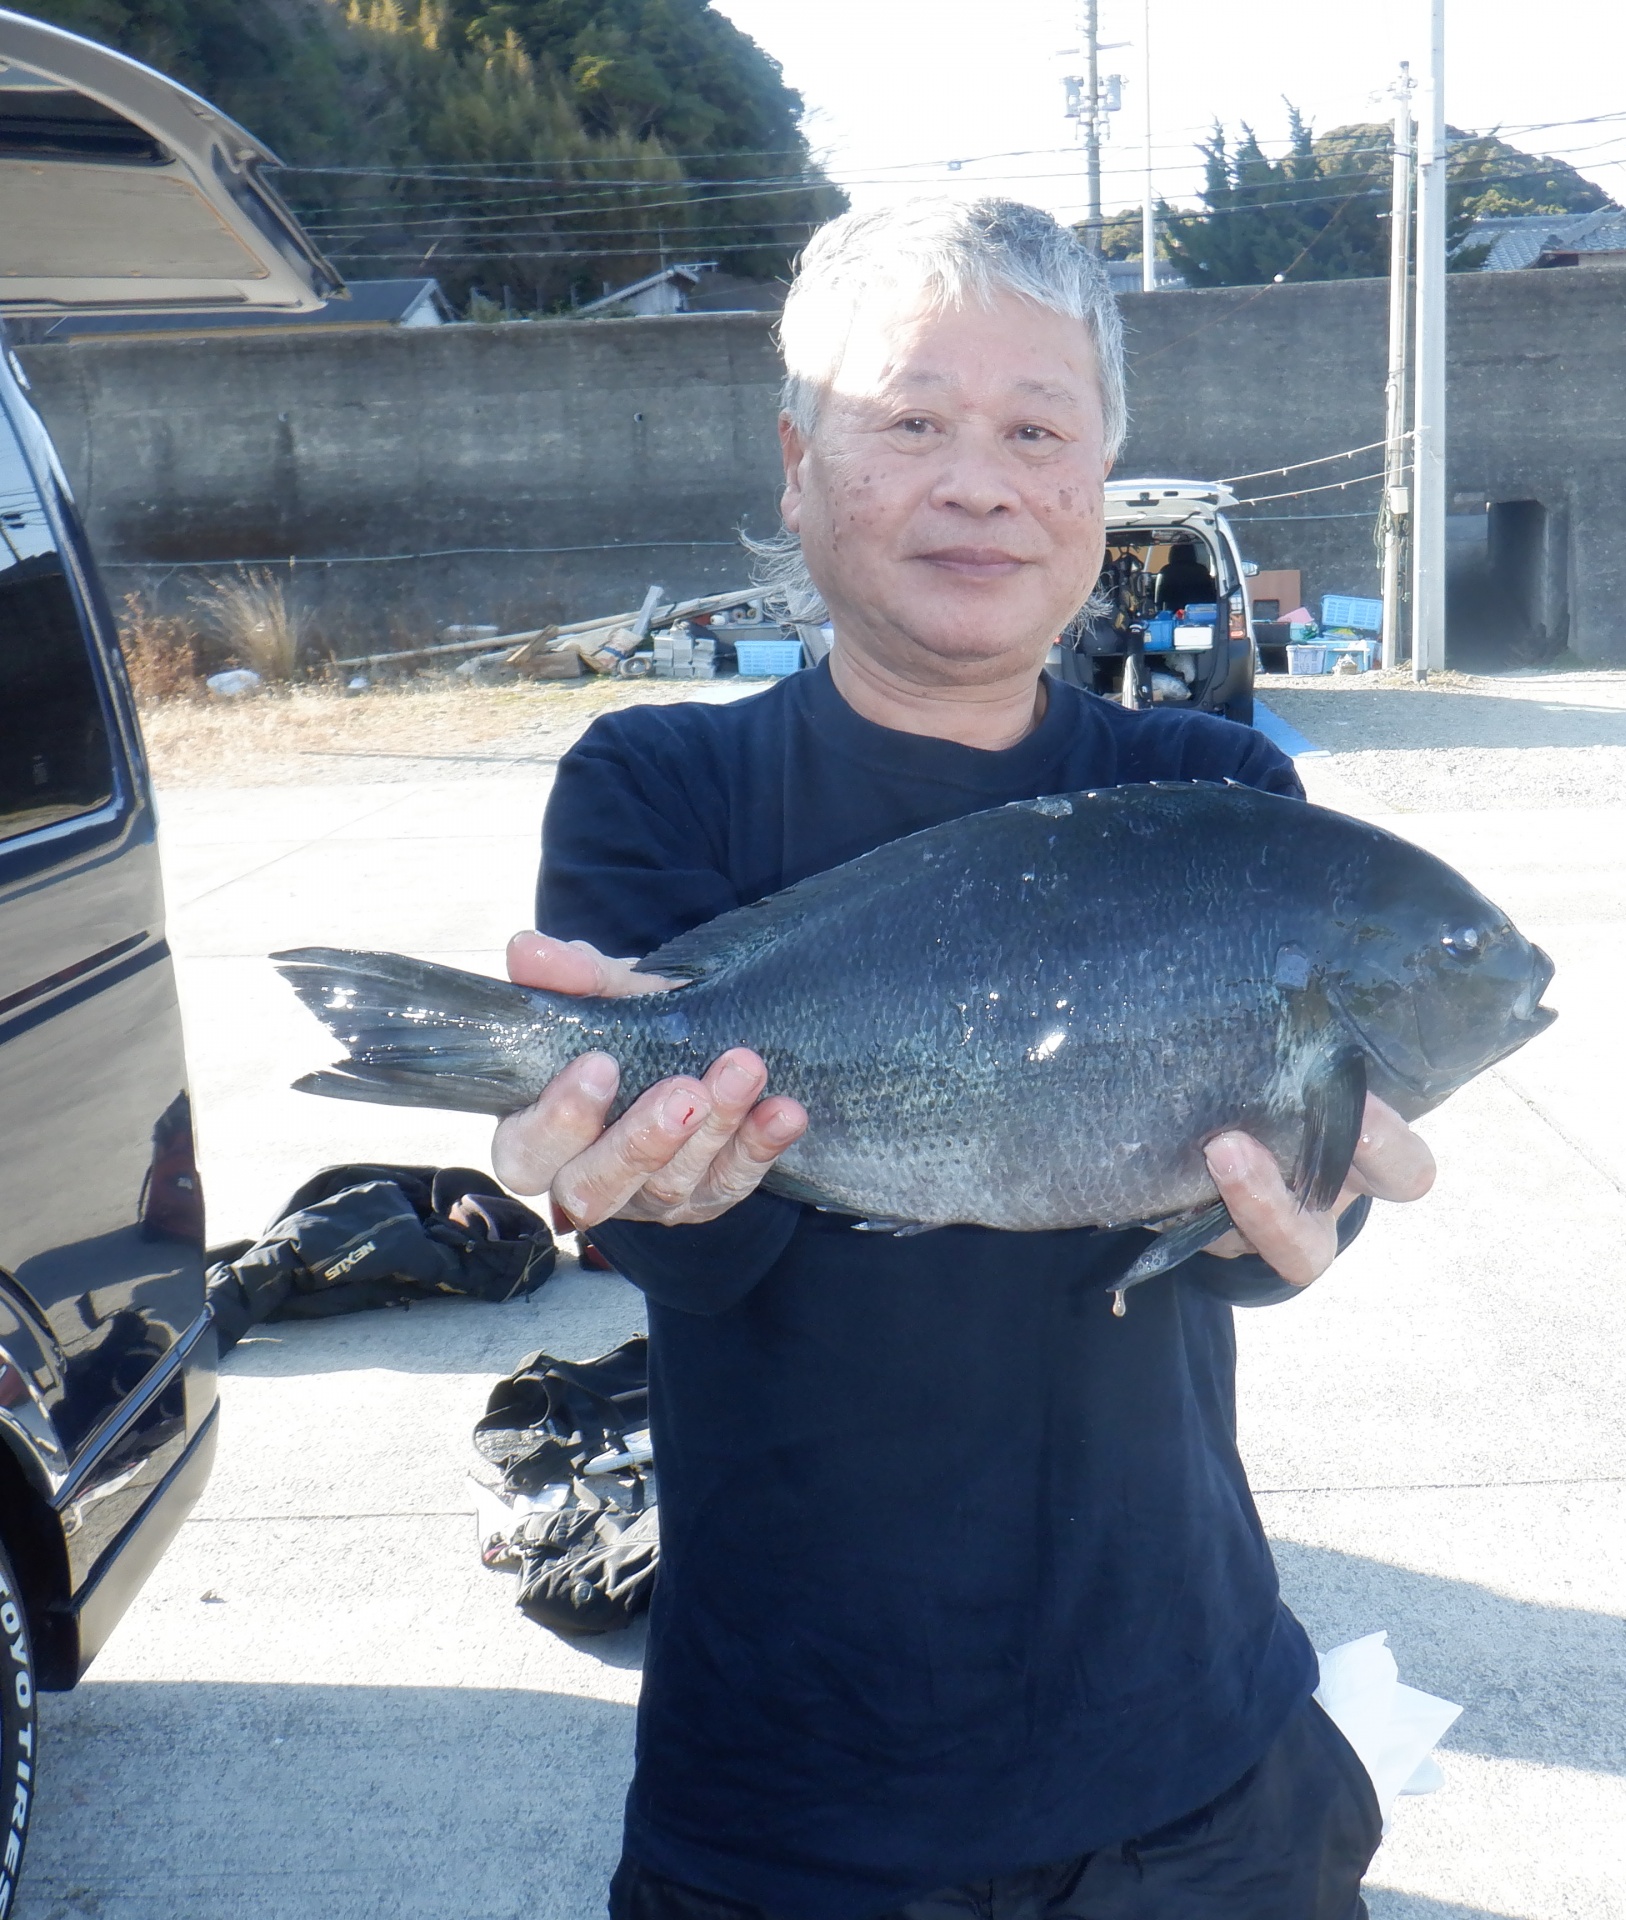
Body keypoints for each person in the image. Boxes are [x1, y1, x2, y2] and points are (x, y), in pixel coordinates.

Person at [491, 198, 1437, 1920]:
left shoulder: (1217, 795)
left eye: (1036, 432)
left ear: (1101, 481)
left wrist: (1305, 1216)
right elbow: (697, 1254)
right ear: (799, 468)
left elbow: (1249, 1233)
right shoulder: (658, 787)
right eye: (910, 422)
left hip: (1194, 1757)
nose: (980, 484)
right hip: (795, 1786)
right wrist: (632, 1173)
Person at [1154, 537, 1218, 615]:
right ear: (1193, 553)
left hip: (1172, 615)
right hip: (1199, 614)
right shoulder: (1202, 571)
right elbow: (1211, 597)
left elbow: (1158, 602)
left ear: (1172, 553)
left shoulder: (1165, 572)